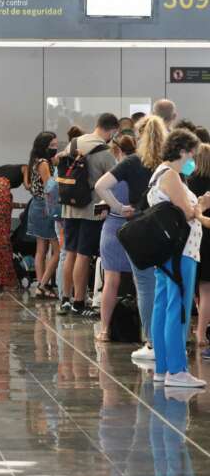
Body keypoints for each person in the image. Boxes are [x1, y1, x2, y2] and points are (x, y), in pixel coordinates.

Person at [99, 115, 169, 363]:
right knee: (169, 287)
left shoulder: (131, 162)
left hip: (138, 228)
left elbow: (101, 185)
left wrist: (119, 207)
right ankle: (170, 340)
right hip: (168, 230)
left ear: (139, 136)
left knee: (145, 287)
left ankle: (150, 340)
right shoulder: (168, 162)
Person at [147, 128, 207, 387]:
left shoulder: (159, 174)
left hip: (169, 251)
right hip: (181, 251)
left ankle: (163, 367)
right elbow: (186, 212)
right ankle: (176, 369)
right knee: (178, 307)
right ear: (182, 151)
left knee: (164, 305)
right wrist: (202, 204)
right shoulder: (171, 175)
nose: (193, 160)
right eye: (191, 154)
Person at [58, 113, 119, 318]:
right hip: (90, 209)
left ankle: (65, 299)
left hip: (69, 207)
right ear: (112, 131)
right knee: (83, 255)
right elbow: (116, 180)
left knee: (70, 252)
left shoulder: (74, 143)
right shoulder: (104, 151)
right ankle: (79, 302)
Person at [94, 135, 137, 342]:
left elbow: (103, 196)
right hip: (137, 228)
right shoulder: (141, 171)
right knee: (142, 282)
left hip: (112, 227)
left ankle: (104, 329)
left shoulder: (113, 175)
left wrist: (115, 207)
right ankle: (145, 330)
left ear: (116, 151)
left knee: (110, 281)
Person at [26, 131, 60, 298]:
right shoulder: (44, 163)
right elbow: (50, 186)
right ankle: (43, 283)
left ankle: (41, 285)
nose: (55, 148)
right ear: (44, 146)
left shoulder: (35, 161)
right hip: (46, 206)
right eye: (52, 145)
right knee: (58, 250)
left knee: (41, 249)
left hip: (36, 204)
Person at [188, 143, 210, 355]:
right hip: (209, 238)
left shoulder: (189, 181)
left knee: (195, 288)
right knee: (207, 290)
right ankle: (202, 333)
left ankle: (196, 330)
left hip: (194, 239)